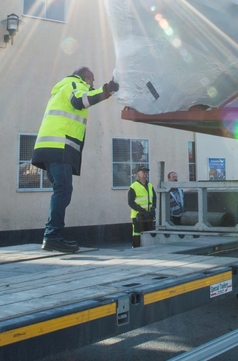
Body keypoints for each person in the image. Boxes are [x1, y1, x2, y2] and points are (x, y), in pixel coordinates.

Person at [32, 66, 119, 253]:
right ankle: (52, 236)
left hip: (50, 148)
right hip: (59, 147)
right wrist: (107, 89)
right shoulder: (74, 84)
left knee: (61, 191)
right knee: (63, 191)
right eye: (92, 81)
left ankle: (52, 235)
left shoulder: (60, 89)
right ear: (86, 78)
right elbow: (80, 101)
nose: (92, 84)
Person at [129, 165, 155, 247]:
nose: (145, 173)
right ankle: (135, 251)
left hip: (149, 215)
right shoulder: (133, 187)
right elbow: (131, 202)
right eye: (143, 172)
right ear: (138, 174)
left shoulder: (150, 185)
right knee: (137, 234)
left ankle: (148, 251)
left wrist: (153, 208)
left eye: (146, 172)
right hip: (138, 216)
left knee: (149, 234)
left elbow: (154, 199)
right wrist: (142, 211)